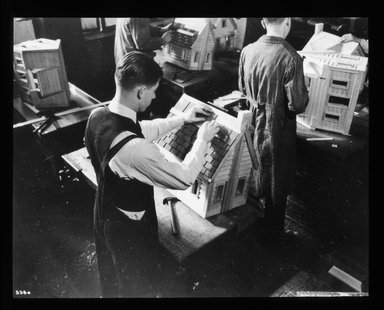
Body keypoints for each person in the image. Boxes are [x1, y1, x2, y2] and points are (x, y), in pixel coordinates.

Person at [84, 51, 220, 297]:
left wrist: (181, 119)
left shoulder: (98, 116)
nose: (156, 95)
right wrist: (202, 139)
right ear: (140, 92)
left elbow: (138, 129)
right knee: (137, 286)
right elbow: (184, 177)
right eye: (154, 90)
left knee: (111, 279)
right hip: (129, 228)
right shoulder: (135, 150)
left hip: (103, 212)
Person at [238, 18, 309, 245]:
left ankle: (256, 231)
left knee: (256, 174)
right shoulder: (291, 57)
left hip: (252, 123)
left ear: (262, 22)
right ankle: (274, 239)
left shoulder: (248, 50)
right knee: (277, 180)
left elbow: (241, 87)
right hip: (277, 129)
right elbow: (296, 105)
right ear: (288, 22)